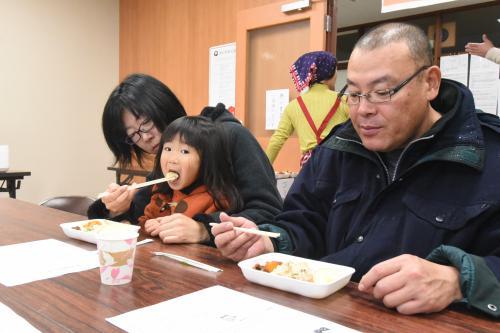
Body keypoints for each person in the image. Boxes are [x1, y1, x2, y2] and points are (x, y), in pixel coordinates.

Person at [212, 22, 500, 318]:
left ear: (430, 83)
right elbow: (306, 223)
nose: (363, 109)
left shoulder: (487, 156)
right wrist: (269, 241)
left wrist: (458, 280)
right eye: (353, 93)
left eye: (381, 92)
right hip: (329, 317)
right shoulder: (338, 147)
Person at [88, 74, 282, 241]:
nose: (145, 137)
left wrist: (204, 229)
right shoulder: (165, 163)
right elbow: (147, 214)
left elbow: (269, 211)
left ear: (163, 105)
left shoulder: (230, 136)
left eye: (146, 123)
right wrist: (119, 208)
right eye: (133, 135)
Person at [138, 116, 243, 243]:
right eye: (168, 149)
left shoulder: (217, 199)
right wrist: (149, 225)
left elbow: (219, 238)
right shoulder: (161, 191)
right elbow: (145, 222)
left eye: (184, 151)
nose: (172, 159)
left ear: (206, 160)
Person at [266, 51, 349, 167]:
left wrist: (262, 170)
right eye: (335, 70)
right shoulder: (344, 101)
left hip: (309, 168)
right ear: (328, 74)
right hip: (338, 164)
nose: (336, 74)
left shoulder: (293, 106)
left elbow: (277, 140)